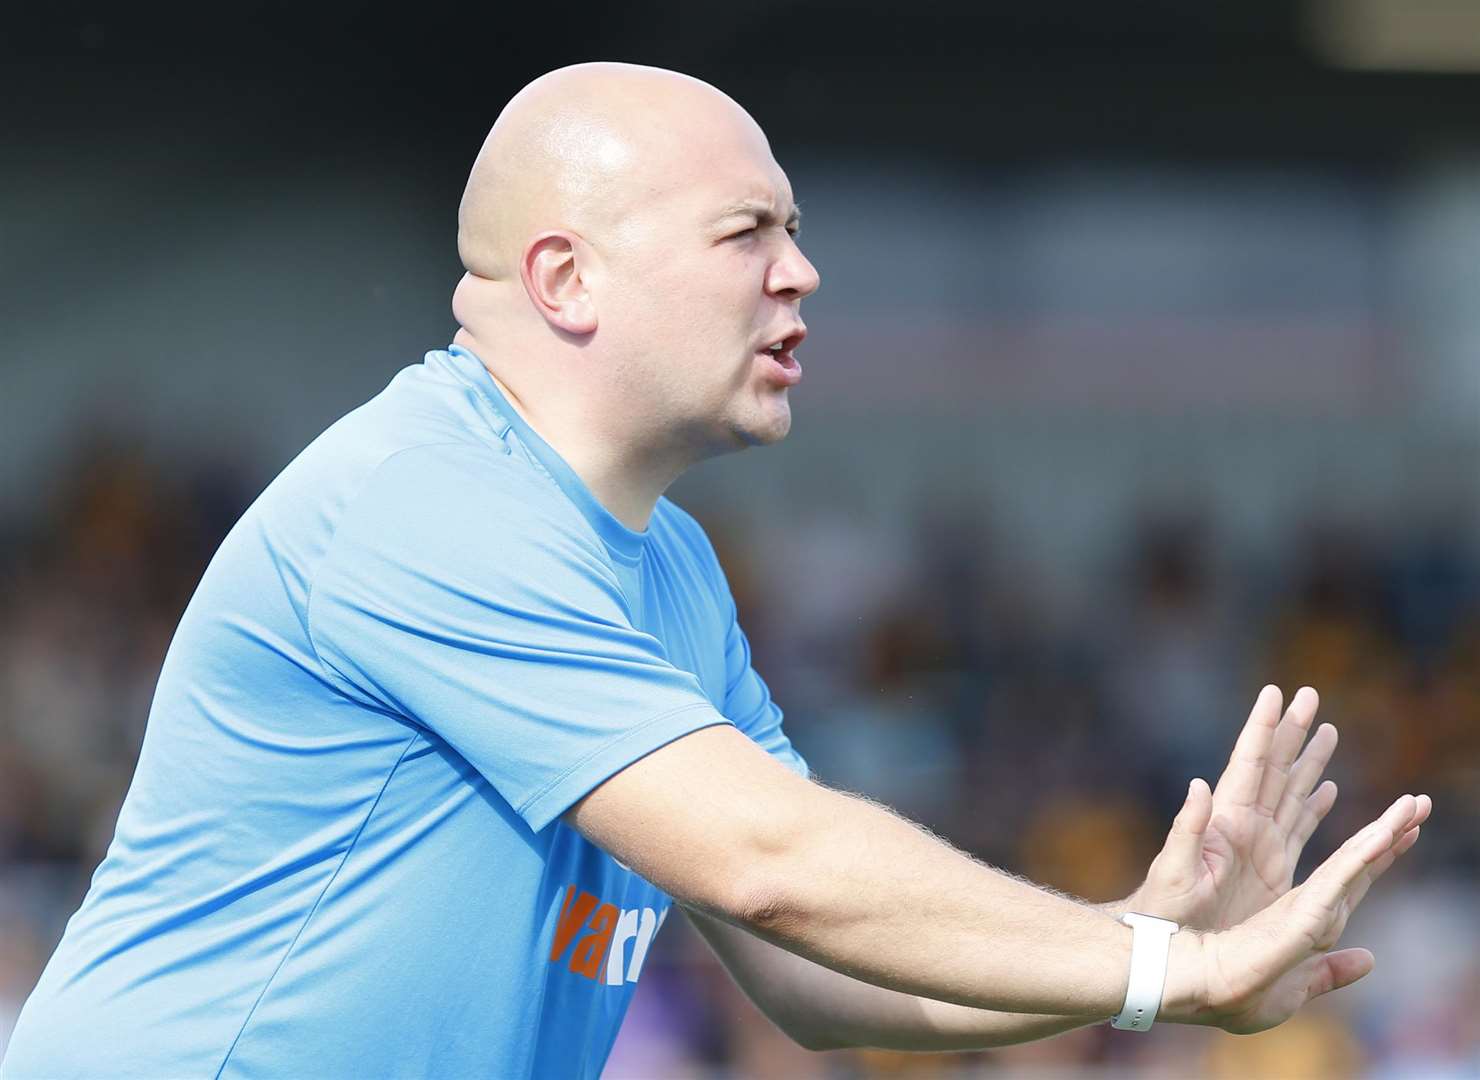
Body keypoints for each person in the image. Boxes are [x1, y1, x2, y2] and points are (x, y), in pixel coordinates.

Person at [1, 62, 1431, 1079]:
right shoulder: (423, 502)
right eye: (748, 231)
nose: (802, 273)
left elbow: (812, 978)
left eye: (797, 231)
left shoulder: (671, 569)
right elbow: (773, 870)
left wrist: (1128, 943)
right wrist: (1161, 970)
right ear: (564, 281)